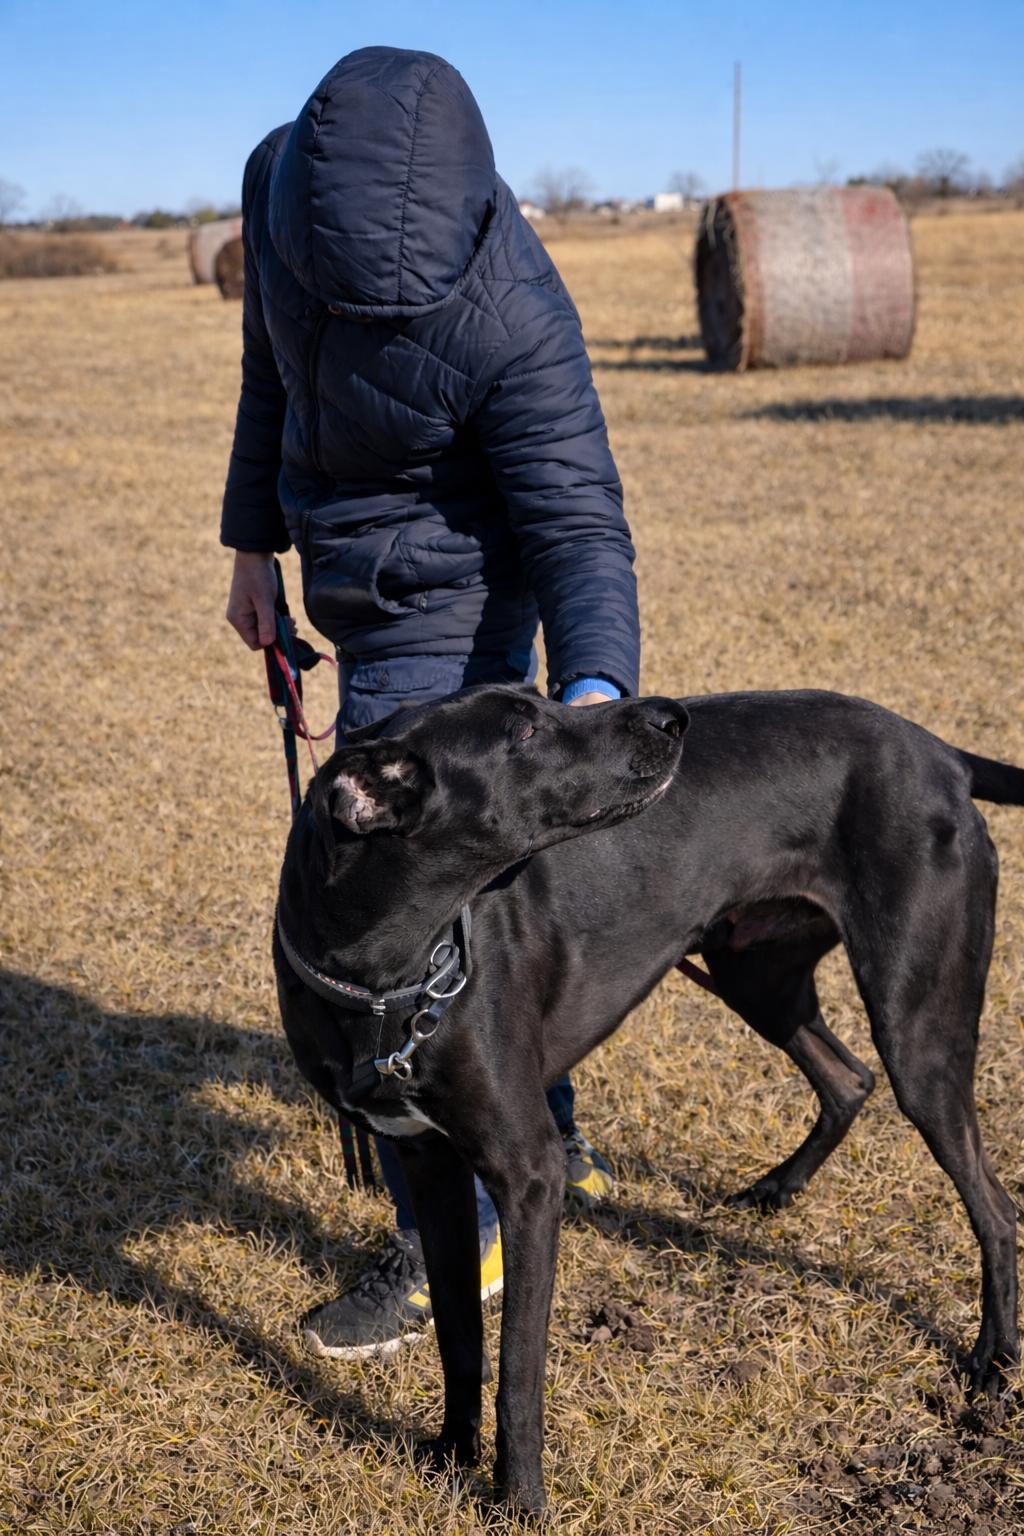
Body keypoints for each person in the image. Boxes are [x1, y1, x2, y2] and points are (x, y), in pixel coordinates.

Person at [222, 46, 641, 1360]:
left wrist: (585, 709)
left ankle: (456, 1232)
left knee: (396, 923)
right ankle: (546, 1137)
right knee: (470, 900)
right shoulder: (268, 185)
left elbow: (578, 524)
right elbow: (268, 369)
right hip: (337, 548)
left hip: (457, 592)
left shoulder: (516, 307)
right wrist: (252, 548)